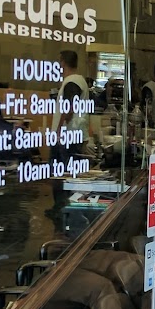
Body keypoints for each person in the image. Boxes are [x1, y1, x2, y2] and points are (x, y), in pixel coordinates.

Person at [48, 49, 90, 216]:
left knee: (61, 175)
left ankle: (62, 210)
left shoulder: (72, 82)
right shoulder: (79, 81)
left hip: (67, 135)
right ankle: (62, 209)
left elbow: (70, 107)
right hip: (74, 134)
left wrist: (58, 130)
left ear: (63, 62)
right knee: (67, 174)